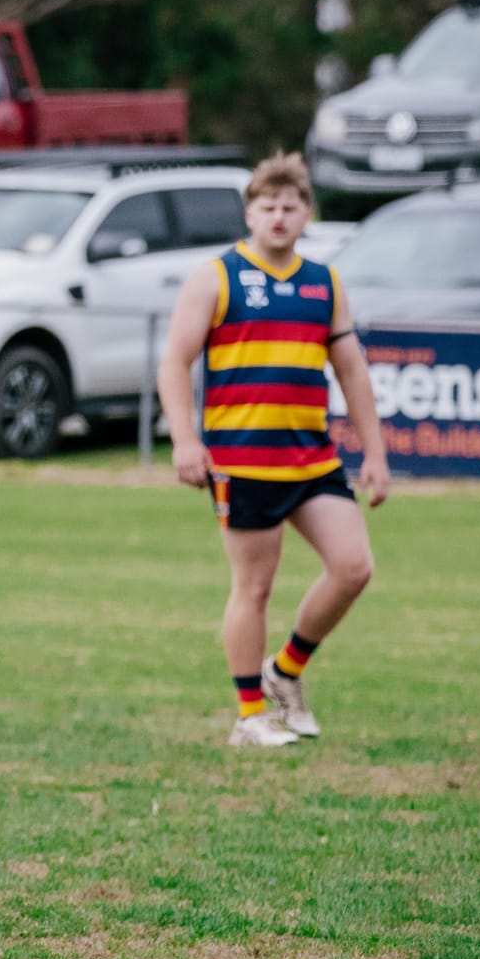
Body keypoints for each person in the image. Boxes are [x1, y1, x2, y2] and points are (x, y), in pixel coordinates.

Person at [156, 153, 389, 748]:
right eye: (267, 207)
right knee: (254, 587)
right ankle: (249, 715)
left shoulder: (323, 282)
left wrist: (377, 454)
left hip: (312, 459)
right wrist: (186, 440)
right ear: (249, 213)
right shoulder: (217, 276)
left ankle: (284, 671)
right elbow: (175, 362)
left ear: (307, 214)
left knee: (354, 567)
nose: (279, 218)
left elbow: (354, 373)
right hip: (242, 461)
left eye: (290, 207)